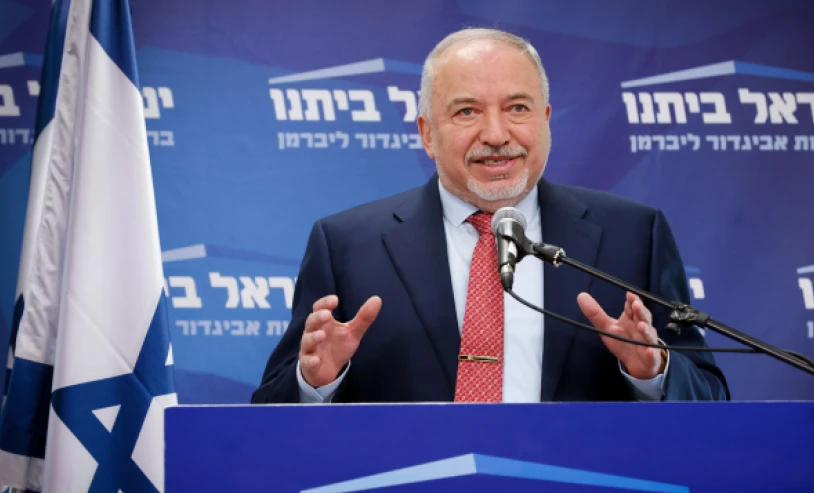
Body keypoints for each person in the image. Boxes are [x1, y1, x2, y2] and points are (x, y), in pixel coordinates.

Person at [252, 28, 728, 404]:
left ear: (545, 119)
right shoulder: (346, 245)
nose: (496, 134)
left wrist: (653, 371)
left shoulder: (634, 235)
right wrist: (316, 383)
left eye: (517, 108)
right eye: (466, 112)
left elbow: (712, 398)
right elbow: (269, 412)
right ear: (427, 133)